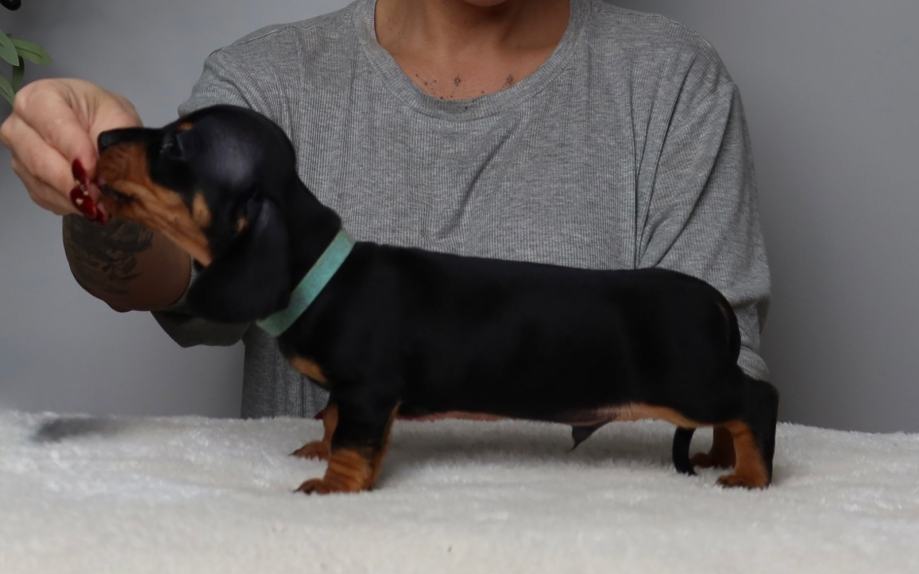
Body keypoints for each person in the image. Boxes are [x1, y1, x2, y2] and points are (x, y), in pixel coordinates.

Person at [0, 0, 772, 421]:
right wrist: (103, 181)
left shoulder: (673, 83)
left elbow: (712, 363)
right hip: (321, 568)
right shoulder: (263, 81)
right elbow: (168, 279)